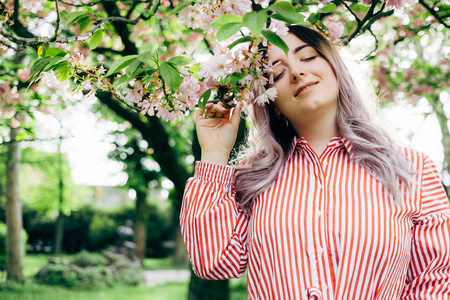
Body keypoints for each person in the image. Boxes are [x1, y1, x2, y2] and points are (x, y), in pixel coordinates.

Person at [180, 25, 450, 299]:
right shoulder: (252, 178)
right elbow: (212, 262)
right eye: (278, 73)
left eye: (307, 57)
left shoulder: (411, 168)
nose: (296, 72)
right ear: (271, 101)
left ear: (334, 67)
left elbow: (433, 284)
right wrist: (214, 153)